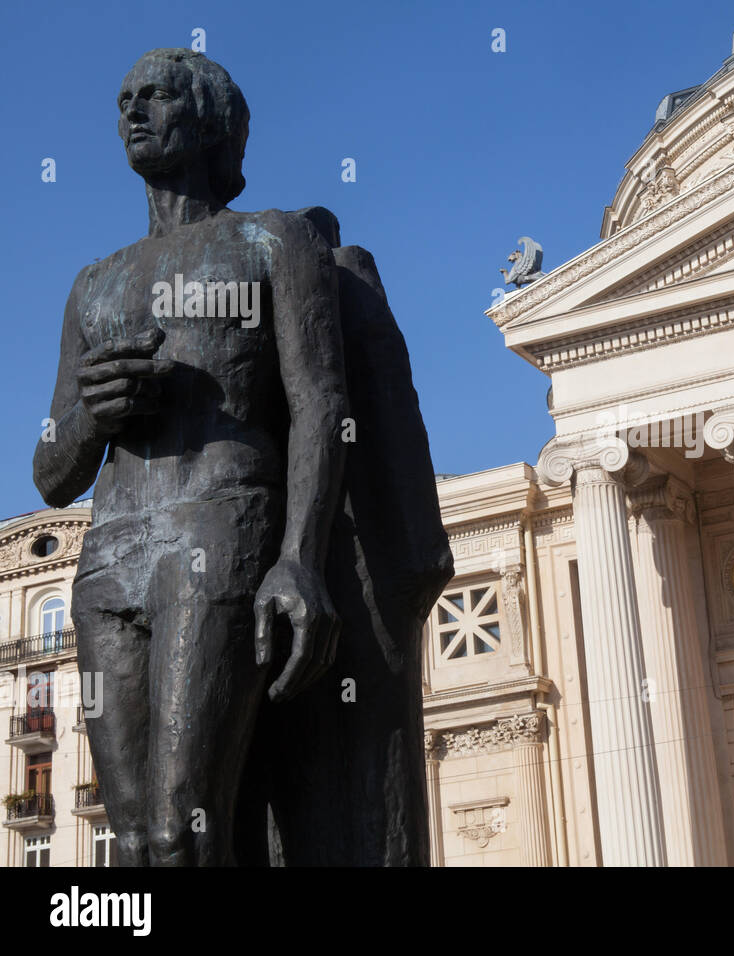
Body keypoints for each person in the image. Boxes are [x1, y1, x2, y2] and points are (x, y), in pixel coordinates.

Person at [32, 50, 450, 866]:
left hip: (217, 534)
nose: (133, 111)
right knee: (132, 846)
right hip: (107, 561)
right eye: (123, 100)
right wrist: (94, 412)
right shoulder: (93, 284)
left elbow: (320, 401)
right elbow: (51, 474)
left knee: (178, 832)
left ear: (213, 120)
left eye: (155, 95)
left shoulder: (272, 241)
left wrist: (298, 557)